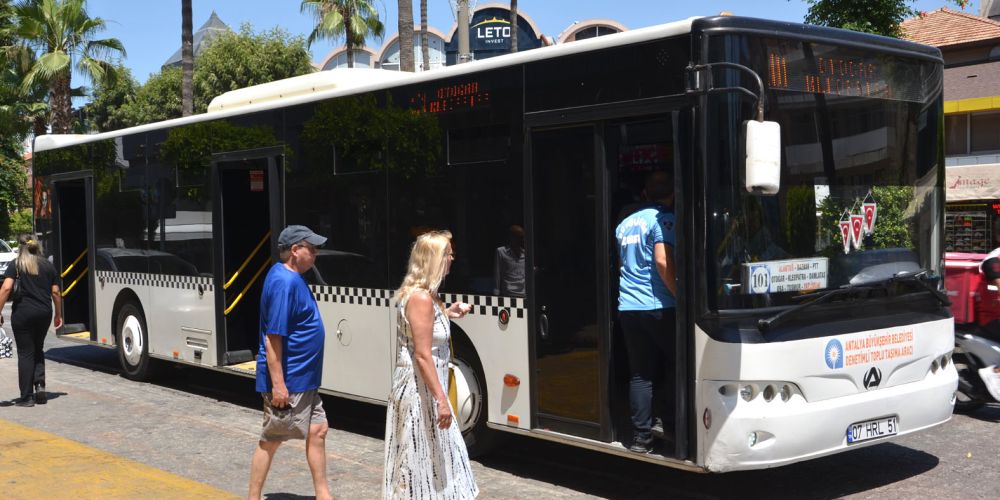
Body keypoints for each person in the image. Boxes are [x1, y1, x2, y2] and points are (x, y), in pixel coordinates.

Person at [384, 230, 478, 499]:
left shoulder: (429, 296)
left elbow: (423, 333)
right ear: (434, 259)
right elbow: (422, 354)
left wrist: (448, 314)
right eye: (448, 254)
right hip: (418, 392)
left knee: (434, 459)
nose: (452, 258)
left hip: (425, 388)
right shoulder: (421, 299)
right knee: (418, 461)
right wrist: (442, 400)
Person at [247, 225, 332, 500]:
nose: (316, 253)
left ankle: (323, 494)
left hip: (303, 378)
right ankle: (253, 496)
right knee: (271, 440)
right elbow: (273, 339)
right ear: (295, 250)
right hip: (290, 379)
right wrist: (279, 385)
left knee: (318, 430)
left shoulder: (292, 277)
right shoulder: (284, 282)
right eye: (312, 248)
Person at [614, 171, 677, 454]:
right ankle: (669, 423)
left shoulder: (624, 224)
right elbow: (662, 261)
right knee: (678, 365)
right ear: (672, 195)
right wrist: (680, 295)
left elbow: (621, 266)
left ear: (645, 194)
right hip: (658, 305)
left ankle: (641, 439)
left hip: (628, 306)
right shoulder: (663, 219)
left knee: (640, 374)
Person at [0, 235, 62, 407]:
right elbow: (56, 292)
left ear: (20, 248)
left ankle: (26, 397)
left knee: (25, 353)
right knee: (38, 348)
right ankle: (40, 385)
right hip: (44, 313)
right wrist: (58, 314)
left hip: (23, 313)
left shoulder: (16, 264)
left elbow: (6, 288)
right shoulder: (48, 265)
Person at [494, 224, 525, 297]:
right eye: (519, 237)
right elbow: (497, 272)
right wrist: (496, 291)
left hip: (523, 293)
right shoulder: (501, 251)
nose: (522, 240)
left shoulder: (526, 254)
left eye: (522, 237)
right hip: (508, 293)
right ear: (512, 237)